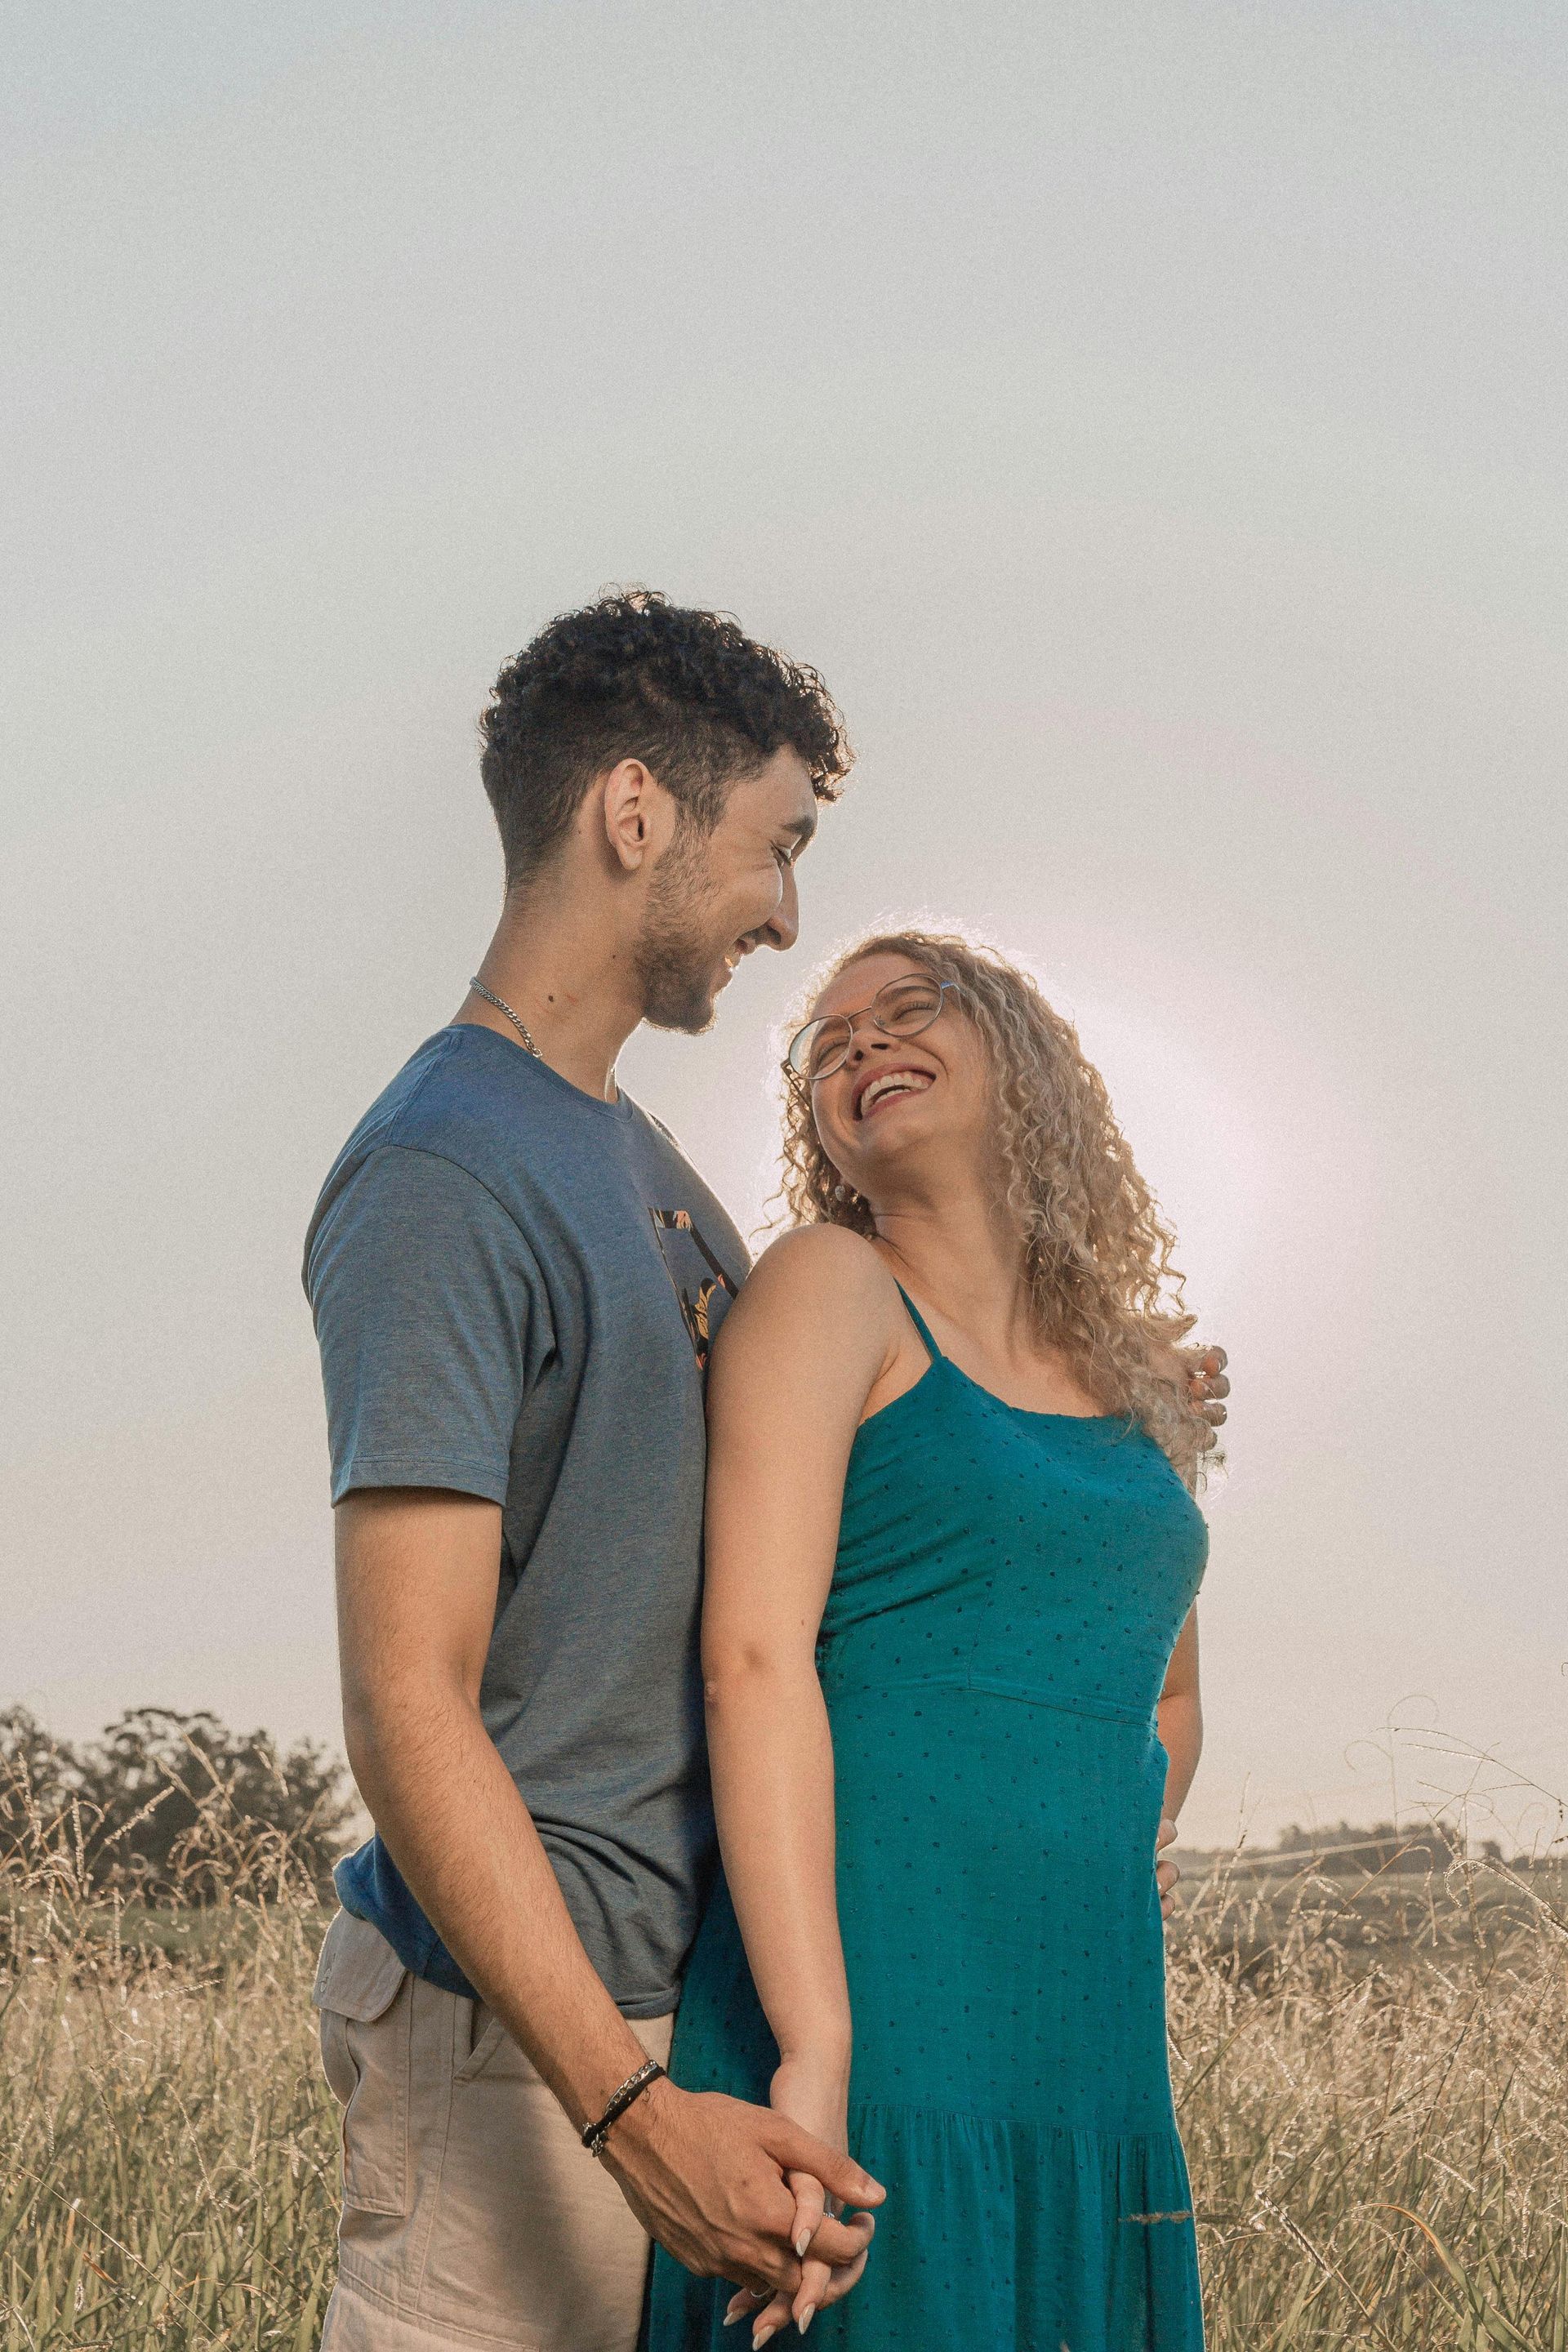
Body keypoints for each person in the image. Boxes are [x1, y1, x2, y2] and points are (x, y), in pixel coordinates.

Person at [301, 589, 890, 2352]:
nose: (790, 915)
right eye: (776, 847)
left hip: (672, 2025)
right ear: (635, 815)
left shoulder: (639, 1162)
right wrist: (625, 2120)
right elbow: (410, 1703)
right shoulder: (441, 1176)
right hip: (526, 2047)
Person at [646, 930, 1222, 2351]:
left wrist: (1088, 1840)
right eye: (826, 1045)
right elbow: (753, 1663)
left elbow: (1170, 1690)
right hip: (868, 1992)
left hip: (1086, 2032)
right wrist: (815, 2049)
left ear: (1024, 1061)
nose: (860, 1047)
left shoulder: (1141, 1378)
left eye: (910, 1011)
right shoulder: (828, 1288)